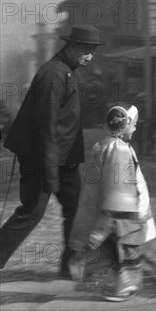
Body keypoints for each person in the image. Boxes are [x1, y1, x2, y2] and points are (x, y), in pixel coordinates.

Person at [0, 25, 106, 276]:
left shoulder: (67, 71)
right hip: (42, 158)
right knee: (31, 212)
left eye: (93, 51)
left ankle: (70, 266)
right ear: (71, 46)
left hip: (65, 159)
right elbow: (45, 127)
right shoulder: (54, 74)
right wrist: (49, 172)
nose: (90, 57)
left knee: (77, 208)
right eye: (86, 50)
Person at [68, 103, 156, 302]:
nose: (135, 128)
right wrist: (116, 217)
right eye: (133, 124)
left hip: (113, 212)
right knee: (125, 251)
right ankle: (120, 287)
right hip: (124, 215)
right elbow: (119, 188)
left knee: (113, 251)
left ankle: (109, 283)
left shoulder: (103, 145)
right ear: (124, 126)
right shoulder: (119, 150)